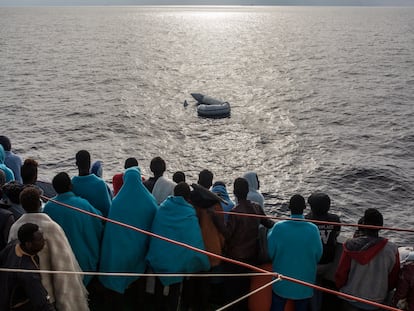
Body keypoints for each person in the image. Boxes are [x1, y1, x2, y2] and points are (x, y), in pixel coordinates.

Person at [8, 187, 89, 311]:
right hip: (48, 295)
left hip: (25, 294)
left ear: (22, 206)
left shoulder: (15, 227)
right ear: (40, 204)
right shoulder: (51, 228)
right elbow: (64, 266)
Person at [146, 182, 210, 311]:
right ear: (188, 198)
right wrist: (202, 262)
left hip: (159, 259)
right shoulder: (189, 213)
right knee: (174, 291)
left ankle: (157, 307)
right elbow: (194, 241)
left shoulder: (162, 208)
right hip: (176, 264)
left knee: (159, 287)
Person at [99, 167, 158, 309]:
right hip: (138, 250)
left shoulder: (118, 201)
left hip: (118, 250)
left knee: (117, 277)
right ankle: (139, 302)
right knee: (138, 276)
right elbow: (153, 223)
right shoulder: (149, 200)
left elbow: (111, 230)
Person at [221, 177, 274, 311]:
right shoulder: (256, 208)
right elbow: (269, 224)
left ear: (235, 192)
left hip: (235, 258)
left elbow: (227, 235)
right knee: (245, 290)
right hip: (251, 256)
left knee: (232, 292)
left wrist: (217, 220)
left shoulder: (235, 211)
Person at [43, 172, 104, 286]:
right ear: (70, 186)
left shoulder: (48, 207)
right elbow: (99, 221)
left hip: (59, 263)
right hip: (83, 262)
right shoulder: (83, 204)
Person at [335, 208, 400, 311]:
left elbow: (341, 273)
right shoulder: (392, 249)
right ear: (381, 226)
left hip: (350, 297)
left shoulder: (350, 245)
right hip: (376, 300)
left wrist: (341, 287)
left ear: (363, 224)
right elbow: (393, 278)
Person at [267, 194, 322, 311]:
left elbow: (270, 253)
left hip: (281, 283)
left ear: (289, 208)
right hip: (305, 285)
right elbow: (318, 255)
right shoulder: (313, 229)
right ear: (304, 208)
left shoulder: (278, 228)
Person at [0, 223, 56, 311]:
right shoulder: (29, 273)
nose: (44, 240)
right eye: (39, 239)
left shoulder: (13, 245)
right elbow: (42, 304)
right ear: (28, 244)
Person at [306, 192, 341, 311]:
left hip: (312, 262)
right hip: (328, 262)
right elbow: (336, 234)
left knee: (313, 286)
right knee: (319, 284)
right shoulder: (335, 219)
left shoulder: (307, 219)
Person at [71, 150, 111, 217]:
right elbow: (108, 211)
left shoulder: (71, 184)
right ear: (89, 163)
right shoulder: (100, 184)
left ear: (76, 163)